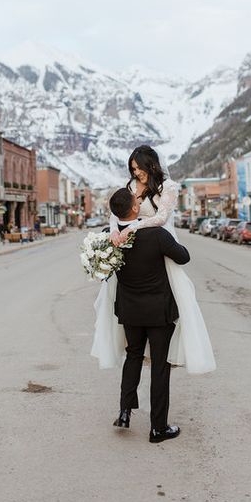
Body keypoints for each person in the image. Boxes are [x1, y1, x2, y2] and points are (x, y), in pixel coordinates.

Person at [91, 145, 216, 375]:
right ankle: (130, 345)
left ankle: (168, 346)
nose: (135, 173)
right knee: (118, 296)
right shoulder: (130, 187)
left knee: (177, 294)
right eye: (132, 169)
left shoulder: (167, 187)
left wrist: (134, 227)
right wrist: (114, 233)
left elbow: (160, 217)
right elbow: (114, 215)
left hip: (158, 242)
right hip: (130, 248)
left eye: (138, 168)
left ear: (151, 164)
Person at [110, 187, 189, 442]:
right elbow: (184, 257)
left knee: (132, 356)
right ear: (134, 209)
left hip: (130, 310)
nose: (141, 202)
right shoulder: (156, 235)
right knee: (159, 366)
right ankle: (158, 427)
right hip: (158, 311)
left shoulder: (109, 237)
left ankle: (124, 412)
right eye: (137, 201)